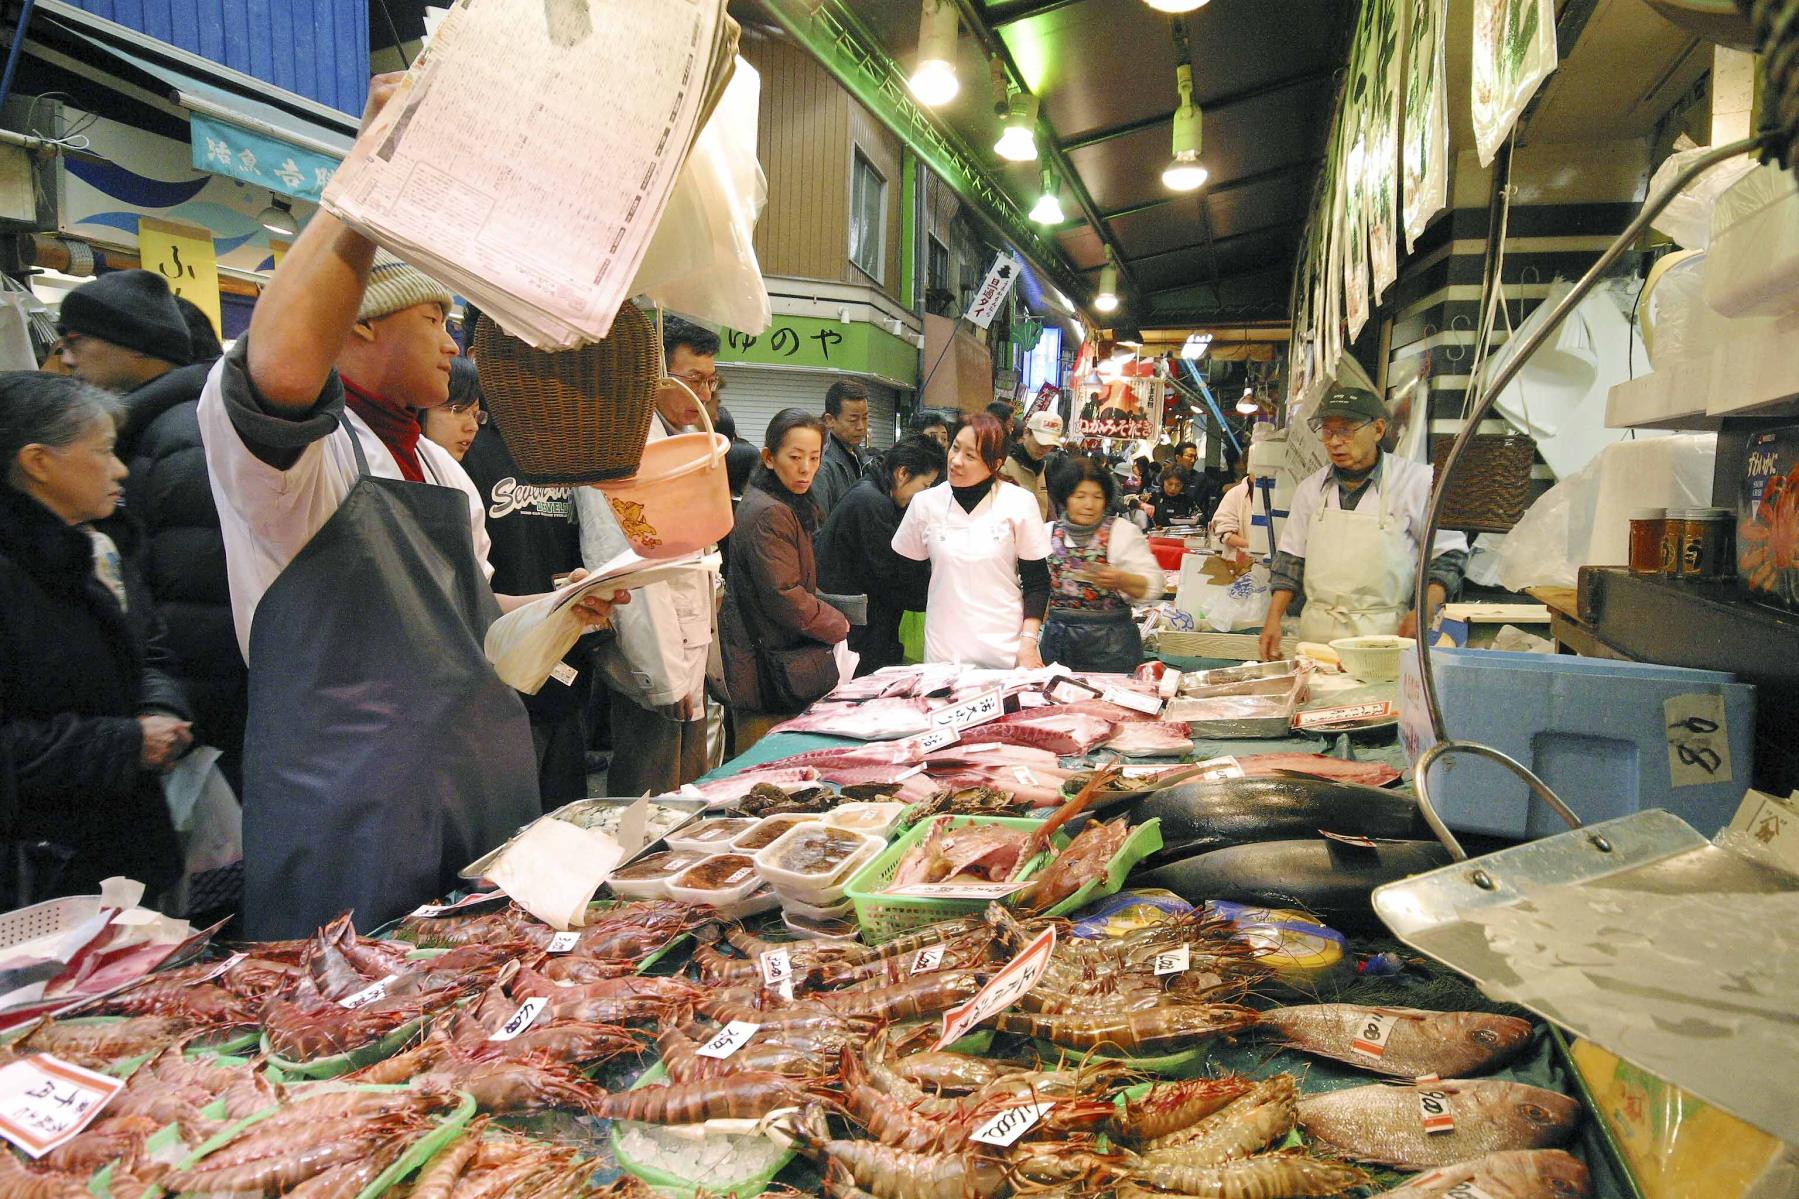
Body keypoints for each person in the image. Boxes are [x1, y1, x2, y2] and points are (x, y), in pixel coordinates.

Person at [196, 72, 619, 938]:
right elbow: (276, 363)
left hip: (477, 785)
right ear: (357, 324)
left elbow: (466, 620)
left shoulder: (437, 463)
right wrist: (371, 179)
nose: (452, 342)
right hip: (349, 806)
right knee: (351, 1034)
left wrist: (562, 607)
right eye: (435, 316)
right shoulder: (300, 459)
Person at [0, 372, 192, 899]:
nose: (122, 469)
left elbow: (149, 647)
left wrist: (162, 708)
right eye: (104, 452)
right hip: (40, 876)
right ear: (37, 462)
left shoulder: (103, 548)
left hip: (124, 848)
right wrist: (124, 741)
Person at [60, 275, 246, 797]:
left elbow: (199, 600)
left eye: (76, 341)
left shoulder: (182, 436)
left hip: (193, 726)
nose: (68, 360)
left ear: (134, 343)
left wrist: (172, 717)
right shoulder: (150, 428)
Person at [423, 356, 590, 805]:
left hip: (563, 650)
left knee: (562, 800)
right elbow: (466, 596)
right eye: (455, 410)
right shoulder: (454, 465)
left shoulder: (566, 448)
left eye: (471, 412)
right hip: (481, 671)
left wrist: (575, 598)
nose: (468, 425)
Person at [578, 316, 724, 797]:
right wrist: (662, 678)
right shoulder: (622, 443)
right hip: (655, 663)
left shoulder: (678, 437)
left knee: (688, 792)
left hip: (687, 651)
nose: (704, 393)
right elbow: (627, 566)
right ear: (656, 375)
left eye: (710, 379)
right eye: (693, 379)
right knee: (649, 795)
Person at [1258, 387, 1469, 660]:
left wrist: (1422, 611)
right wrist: (1273, 619)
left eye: (1346, 430)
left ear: (1378, 429)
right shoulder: (1311, 489)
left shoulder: (1417, 483)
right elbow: (1290, 561)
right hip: (1317, 638)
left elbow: (1449, 555)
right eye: (1327, 431)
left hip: (1385, 637)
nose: (1334, 442)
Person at [720, 408, 850, 750]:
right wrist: (838, 623)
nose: (806, 467)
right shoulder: (770, 512)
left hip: (767, 659)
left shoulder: (779, 501)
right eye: (795, 457)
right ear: (769, 457)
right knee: (762, 769)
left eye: (814, 457)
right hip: (764, 668)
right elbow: (785, 595)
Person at [892, 413, 1051, 668]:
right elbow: (906, 576)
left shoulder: (1019, 503)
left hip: (1007, 650)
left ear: (995, 463)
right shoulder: (925, 504)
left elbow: (1037, 582)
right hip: (944, 652)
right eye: (955, 448)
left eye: (970, 456)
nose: (955, 461)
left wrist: (1028, 643)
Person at [816, 434, 945, 677]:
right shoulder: (872, 502)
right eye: (925, 486)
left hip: (863, 625)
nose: (925, 495)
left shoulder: (875, 491)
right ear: (903, 473)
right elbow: (891, 576)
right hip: (859, 630)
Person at [1039, 455, 1164, 674]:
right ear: (1065, 498)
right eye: (1080, 496)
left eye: (1097, 497)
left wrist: (1121, 579)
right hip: (1057, 644)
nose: (1089, 504)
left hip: (1112, 645)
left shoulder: (1122, 532)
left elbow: (1154, 586)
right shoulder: (1047, 533)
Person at [811, 379, 869, 516]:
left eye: (865, 418)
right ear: (830, 420)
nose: (861, 426)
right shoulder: (821, 465)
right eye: (853, 420)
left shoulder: (861, 456)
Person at [1001, 410, 1063, 520]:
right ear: (1026, 433)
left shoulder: (1042, 467)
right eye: (1040, 443)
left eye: (1050, 445)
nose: (1044, 449)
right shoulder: (1005, 465)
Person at [1211, 452, 1258, 555]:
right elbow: (1225, 532)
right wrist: (1256, 548)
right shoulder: (1234, 494)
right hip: (1238, 563)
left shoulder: (1280, 495)